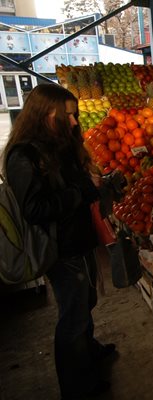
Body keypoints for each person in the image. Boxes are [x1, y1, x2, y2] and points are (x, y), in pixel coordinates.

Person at [1, 84, 122, 400]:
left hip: (78, 239)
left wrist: (97, 183)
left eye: (75, 115)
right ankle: (77, 386)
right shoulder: (23, 155)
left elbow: (75, 185)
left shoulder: (59, 143)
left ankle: (90, 352)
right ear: (44, 114)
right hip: (60, 248)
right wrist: (81, 190)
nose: (73, 122)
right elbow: (35, 209)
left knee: (87, 301)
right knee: (73, 315)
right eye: (66, 116)